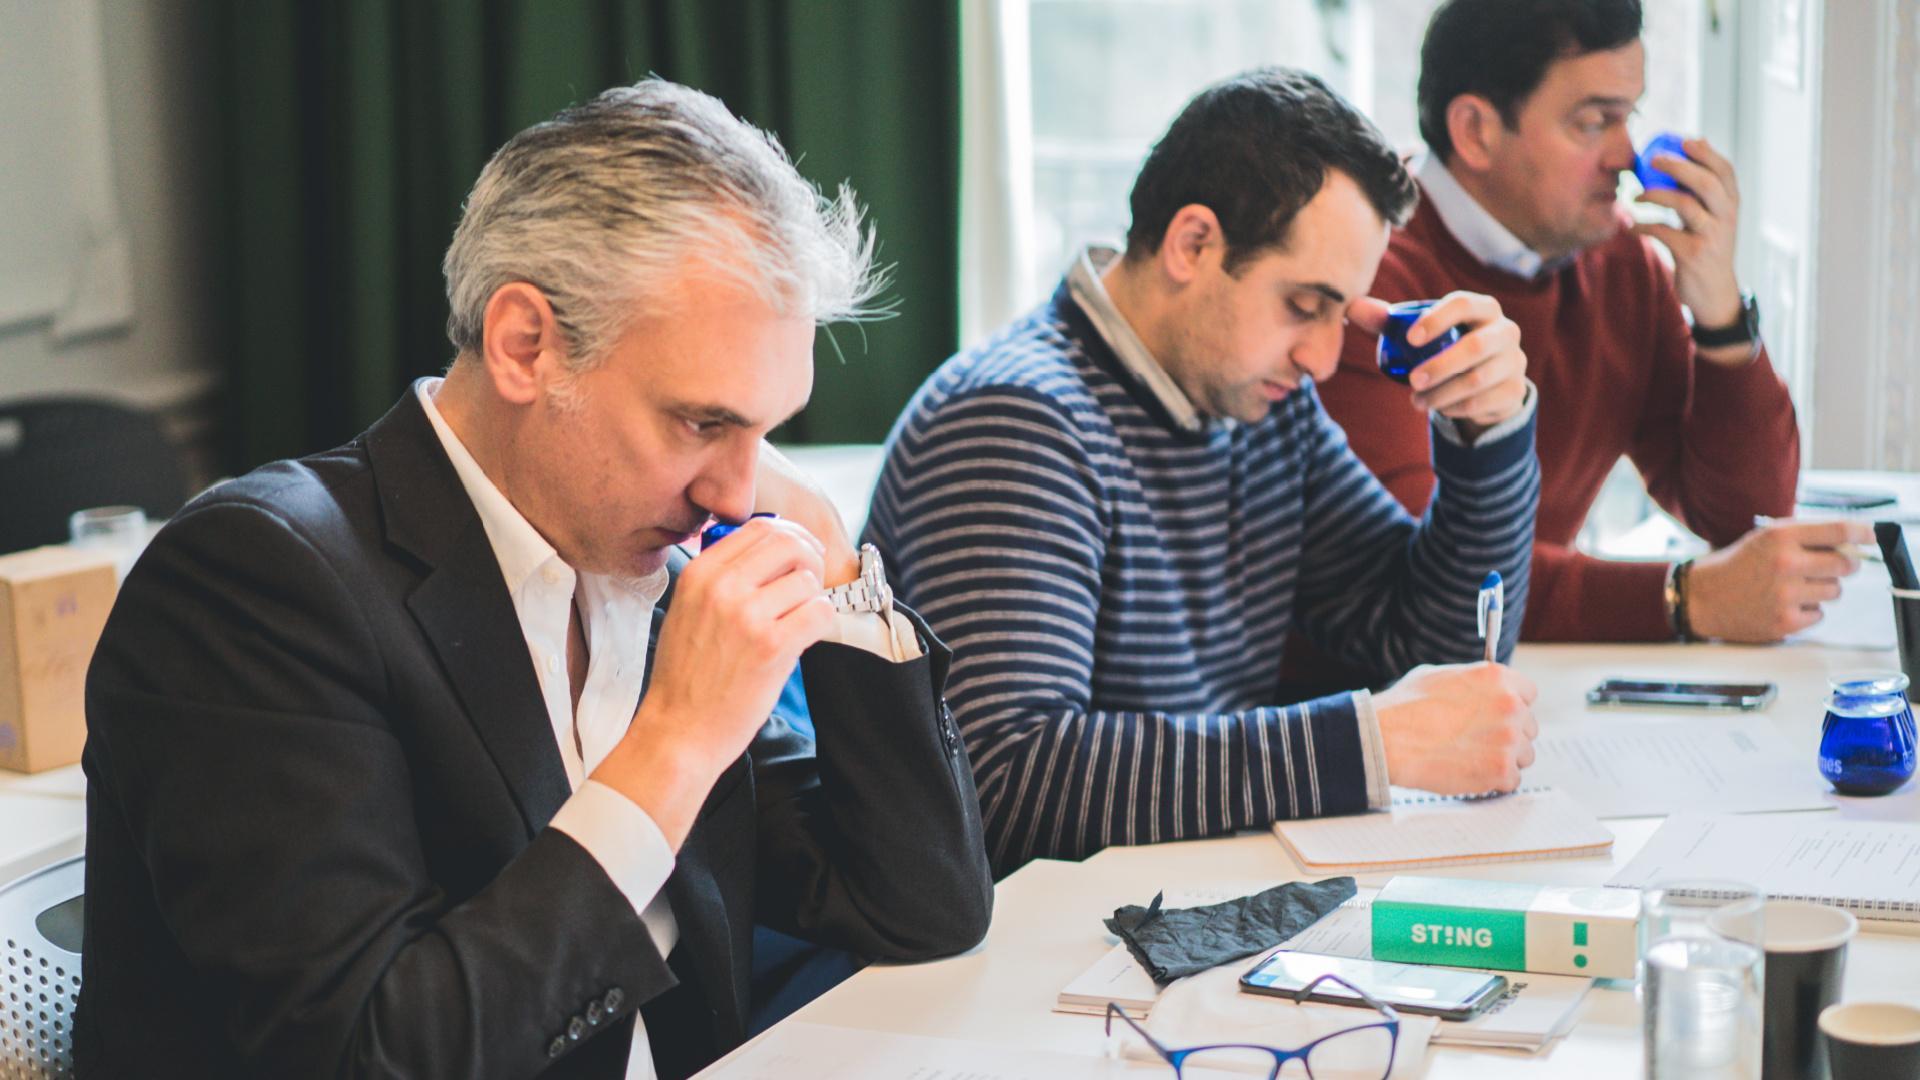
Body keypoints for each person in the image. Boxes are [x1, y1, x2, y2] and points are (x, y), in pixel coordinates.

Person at [77, 80, 992, 1079]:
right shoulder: (256, 581)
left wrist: (841, 563)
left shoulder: (645, 555)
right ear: (525, 346)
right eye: (703, 422)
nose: (737, 487)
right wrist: (674, 746)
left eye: (766, 429)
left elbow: (920, 906)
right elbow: (369, 1057)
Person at [863, 67, 1544, 877]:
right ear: (1193, 244)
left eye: (1341, 313)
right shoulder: (1016, 419)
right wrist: (1363, 743)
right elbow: (1002, 784)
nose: (1324, 359)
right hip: (1025, 963)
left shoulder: (1259, 411)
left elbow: (1440, 642)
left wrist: (1487, 439)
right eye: (1303, 305)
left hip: (1171, 916)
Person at [1312, 0, 1868, 645]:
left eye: (1628, 115)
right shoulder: (1369, 288)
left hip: (1532, 676)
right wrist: (1682, 597)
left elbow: (1746, 517)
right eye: (1594, 121)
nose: (1628, 156)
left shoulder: (1618, 261)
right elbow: (1424, 579)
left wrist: (1719, 317)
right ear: (1475, 132)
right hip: (1377, 694)